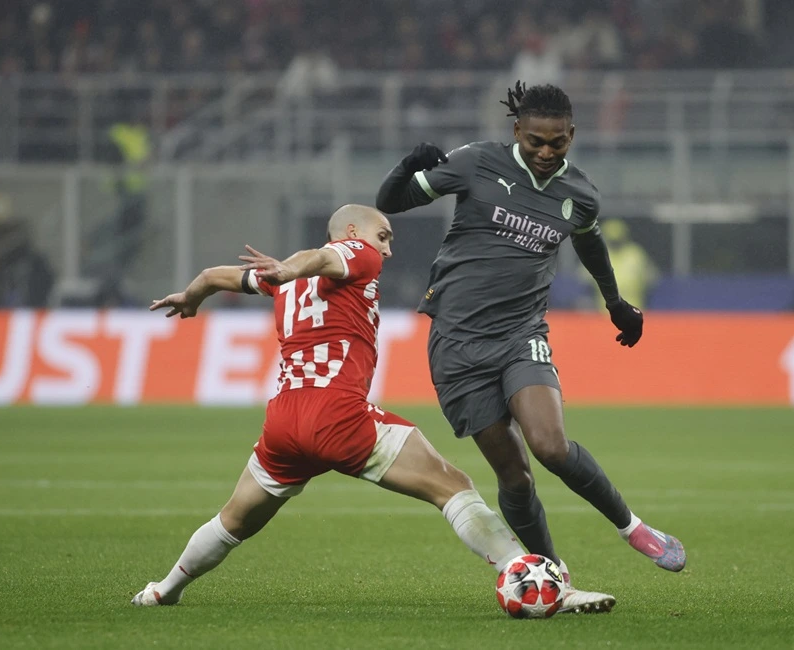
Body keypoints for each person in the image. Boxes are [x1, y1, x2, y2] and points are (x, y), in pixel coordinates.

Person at [375, 83, 686, 610]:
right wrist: (408, 166)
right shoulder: (476, 163)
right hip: (456, 343)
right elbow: (391, 202)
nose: (546, 153)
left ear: (572, 137)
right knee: (513, 475)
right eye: (537, 141)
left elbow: (588, 240)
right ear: (517, 131)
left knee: (549, 445)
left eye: (558, 143)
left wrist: (615, 302)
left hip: (522, 335)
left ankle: (631, 526)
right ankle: (554, 576)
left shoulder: (580, 194)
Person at [131, 205, 529, 608]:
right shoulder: (358, 253)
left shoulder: (281, 281)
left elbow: (211, 277)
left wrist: (191, 297)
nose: (387, 251)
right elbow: (321, 257)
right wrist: (291, 268)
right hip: (337, 413)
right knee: (453, 486)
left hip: (284, 420)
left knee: (234, 520)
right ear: (353, 232)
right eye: (384, 236)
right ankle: (524, 574)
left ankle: (164, 590)